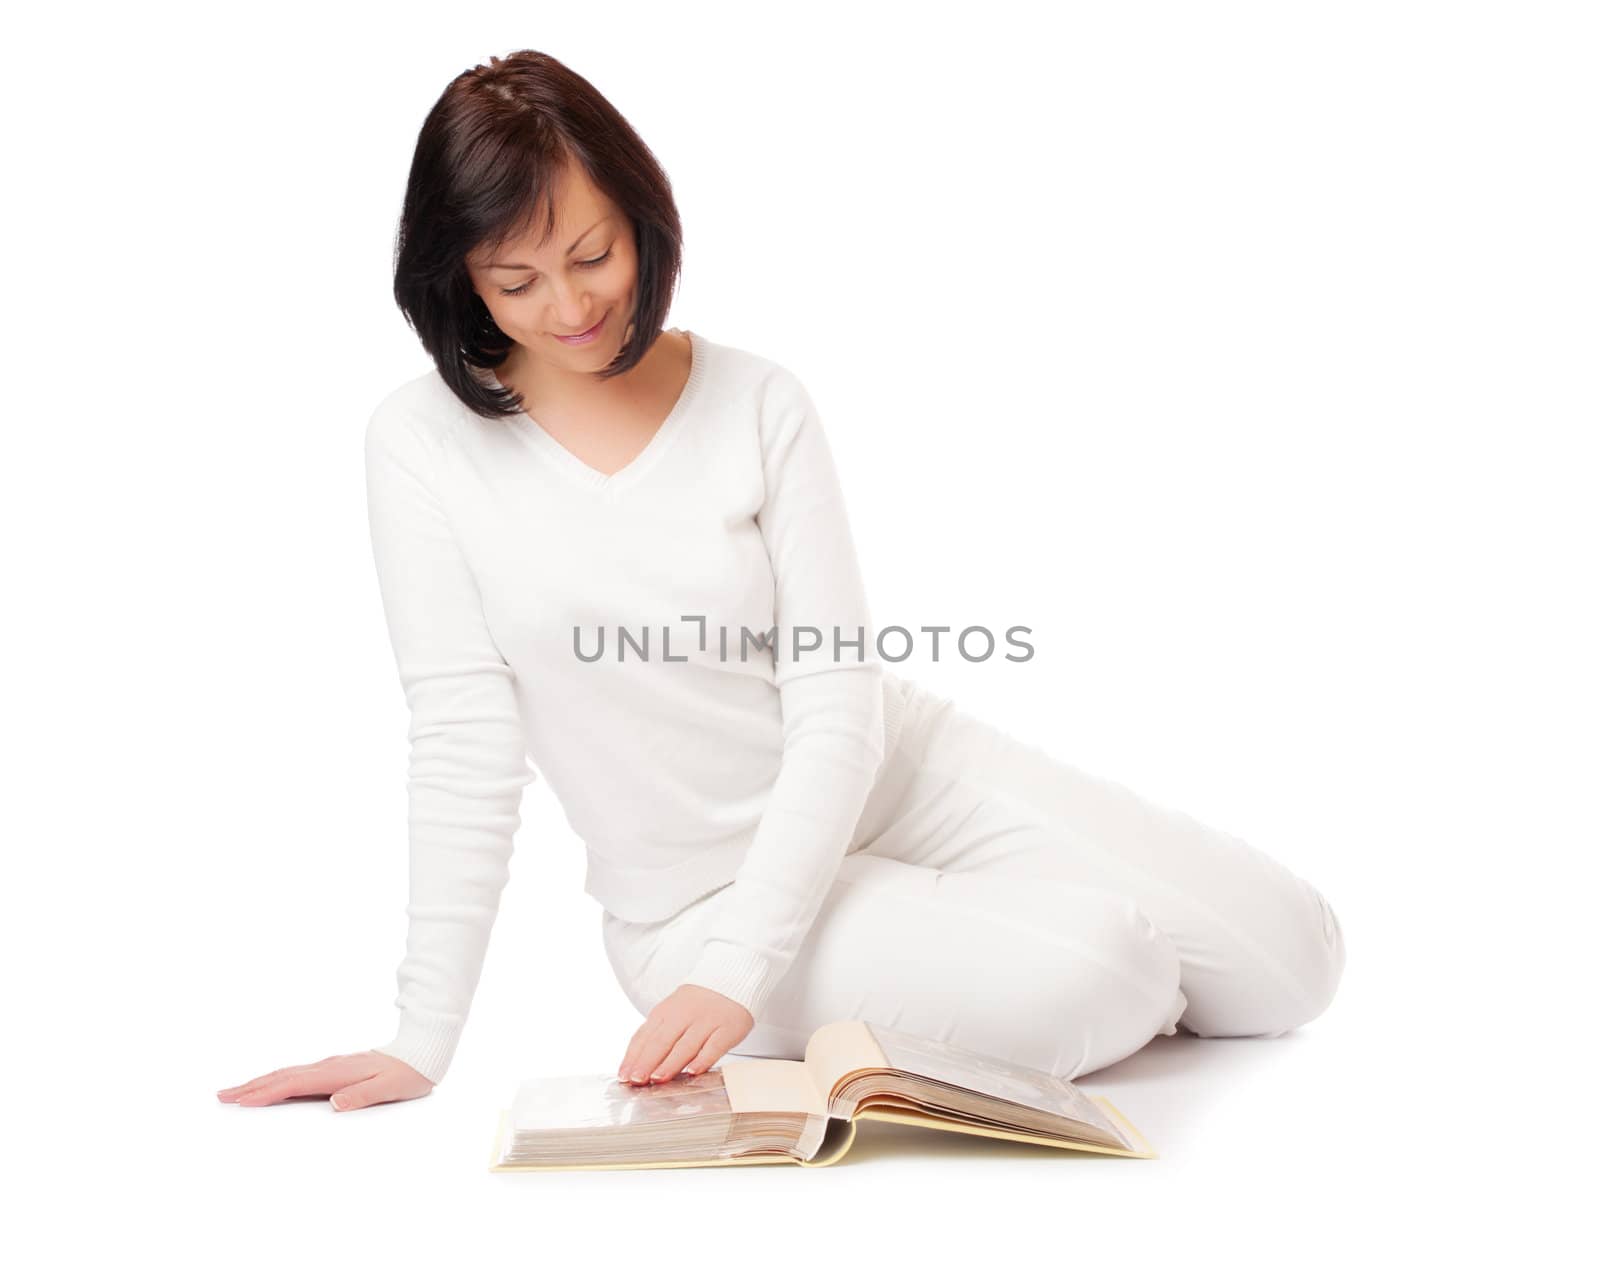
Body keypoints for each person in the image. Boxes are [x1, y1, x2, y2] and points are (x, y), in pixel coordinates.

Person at [217, 50, 1346, 1115]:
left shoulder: (757, 400)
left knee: (1293, 961)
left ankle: (951, 941)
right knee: (1112, 967)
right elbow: (462, 741)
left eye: (593, 255)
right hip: (697, 910)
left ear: (642, 220)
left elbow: (837, 700)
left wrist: (768, 960)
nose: (567, 307)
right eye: (515, 280)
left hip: (894, 778)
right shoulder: (420, 446)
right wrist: (425, 1037)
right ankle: (956, 953)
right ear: (458, 277)